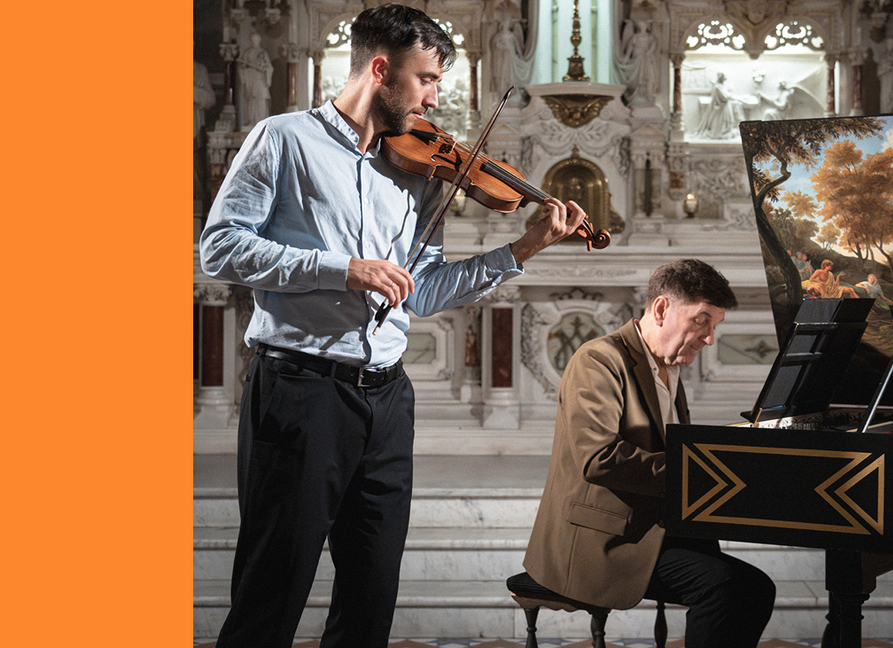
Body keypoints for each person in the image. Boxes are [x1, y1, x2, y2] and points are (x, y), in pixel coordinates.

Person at [199, 5, 588, 648]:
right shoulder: (283, 139)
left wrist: (522, 250)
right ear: (380, 70)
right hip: (300, 392)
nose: (434, 99)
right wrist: (343, 269)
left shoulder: (417, 174)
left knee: (371, 597)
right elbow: (221, 248)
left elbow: (424, 289)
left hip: (386, 399)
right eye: (426, 79)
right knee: (273, 592)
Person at [523, 259, 776, 648]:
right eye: (702, 320)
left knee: (755, 588)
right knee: (727, 588)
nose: (710, 338)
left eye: (715, 326)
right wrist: (706, 468)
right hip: (600, 539)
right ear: (661, 309)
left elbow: (673, 452)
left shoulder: (669, 367)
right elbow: (599, 458)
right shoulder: (598, 360)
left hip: (650, 527)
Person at [238, 32, 273, 129]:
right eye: (252, 40)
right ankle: (251, 121)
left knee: (261, 98)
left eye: (256, 40)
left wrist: (262, 69)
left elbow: (269, 67)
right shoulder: (247, 53)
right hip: (250, 80)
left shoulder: (263, 53)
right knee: (251, 100)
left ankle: (261, 120)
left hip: (260, 80)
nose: (254, 42)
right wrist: (245, 68)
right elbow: (242, 67)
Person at [694, 72, 741, 139]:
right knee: (721, 122)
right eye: (723, 78)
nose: (724, 80)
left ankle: (725, 131)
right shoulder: (717, 87)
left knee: (727, 121)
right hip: (721, 107)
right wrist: (730, 93)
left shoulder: (721, 86)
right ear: (720, 78)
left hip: (724, 106)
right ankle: (721, 133)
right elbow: (724, 97)